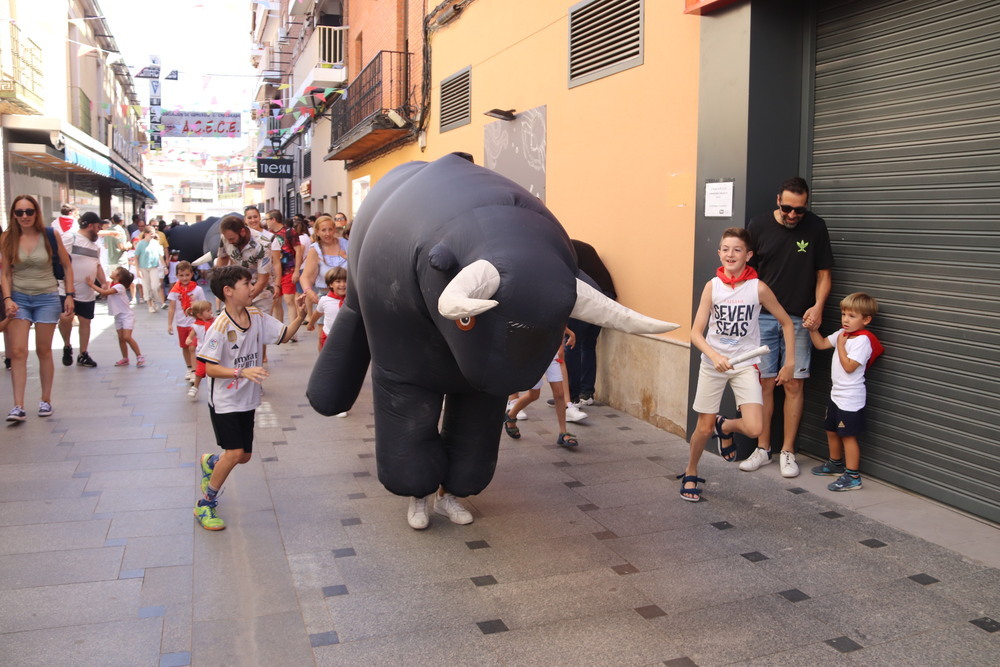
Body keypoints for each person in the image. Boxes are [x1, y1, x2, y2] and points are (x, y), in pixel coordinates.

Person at [679, 228, 796, 501]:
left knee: (755, 429)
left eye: (737, 250)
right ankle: (691, 471)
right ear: (719, 253)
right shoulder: (712, 286)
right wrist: (714, 355)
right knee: (703, 428)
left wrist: (790, 362)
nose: (730, 254)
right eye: (725, 249)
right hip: (713, 364)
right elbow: (695, 332)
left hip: (745, 364)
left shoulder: (758, 288)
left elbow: (788, 323)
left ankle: (727, 426)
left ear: (749, 255)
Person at [193, 265, 307, 530]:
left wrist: (300, 316)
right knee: (234, 453)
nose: (253, 288)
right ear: (229, 291)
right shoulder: (219, 326)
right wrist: (241, 371)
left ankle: (211, 462)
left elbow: (284, 335)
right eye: (247, 284)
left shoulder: (256, 315)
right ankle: (205, 504)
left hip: (248, 400)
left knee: (243, 456)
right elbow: (208, 368)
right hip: (225, 402)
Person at [744, 176, 834, 477]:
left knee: (795, 383)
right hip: (763, 317)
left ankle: (788, 452)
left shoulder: (816, 227)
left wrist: (818, 307)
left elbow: (823, 274)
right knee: (765, 383)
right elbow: (747, 275)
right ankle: (762, 449)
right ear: (777, 201)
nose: (793, 215)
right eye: (787, 208)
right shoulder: (757, 226)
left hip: (798, 318)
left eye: (800, 210)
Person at [1, 195, 75, 421]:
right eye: (20, 212)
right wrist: (7, 299)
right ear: (14, 214)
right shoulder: (7, 238)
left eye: (29, 211)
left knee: (44, 351)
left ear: (36, 213)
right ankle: (18, 405)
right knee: (17, 352)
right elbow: (4, 272)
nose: (25, 216)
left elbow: (66, 265)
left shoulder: (50, 235)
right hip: (19, 299)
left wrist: (70, 295)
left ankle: (45, 400)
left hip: (47, 298)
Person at [809, 292, 882, 492]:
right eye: (844, 314)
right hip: (836, 394)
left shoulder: (862, 341)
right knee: (831, 430)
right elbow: (821, 343)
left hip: (851, 398)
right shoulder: (843, 333)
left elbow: (849, 366)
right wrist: (811, 329)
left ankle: (853, 476)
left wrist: (841, 346)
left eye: (852, 316)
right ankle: (835, 463)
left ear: (866, 319)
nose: (845, 320)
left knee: (848, 436)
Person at [503, 327, 581, 449]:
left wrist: (570, 333)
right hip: (531, 354)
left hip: (551, 351)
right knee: (534, 395)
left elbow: (558, 317)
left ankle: (563, 433)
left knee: (559, 394)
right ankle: (511, 415)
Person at [566, 239, 616, 407]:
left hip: (589, 298)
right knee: (587, 345)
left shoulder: (564, 248)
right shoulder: (579, 246)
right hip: (606, 296)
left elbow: (566, 277)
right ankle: (586, 393)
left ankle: (570, 397)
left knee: (572, 344)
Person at [57, 211, 106, 368]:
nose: (99, 230)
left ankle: (83, 353)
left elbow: (97, 265)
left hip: (87, 292)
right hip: (67, 290)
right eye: (98, 226)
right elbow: (59, 260)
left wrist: (104, 283)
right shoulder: (70, 238)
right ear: (90, 225)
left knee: (86, 322)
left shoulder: (95, 246)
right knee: (66, 318)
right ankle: (67, 345)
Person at [88, 267, 144, 367]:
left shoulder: (119, 287)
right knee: (121, 338)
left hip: (126, 315)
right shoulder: (114, 285)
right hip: (118, 315)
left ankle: (139, 356)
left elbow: (104, 293)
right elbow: (107, 293)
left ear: (118, 276)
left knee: (127, 337)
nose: (112, 271)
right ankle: (125, 358)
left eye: (115, 271)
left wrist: (91, 285)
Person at [167, 261, 206, 383]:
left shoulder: (197, 289)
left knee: (192, 347)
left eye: (187, 275)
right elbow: (172, 307)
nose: (184, 278)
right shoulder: (174, 291)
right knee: (184, 347)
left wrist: (201, 313)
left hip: (194, 323)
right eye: (181, 275)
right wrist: (169, 324)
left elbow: (204, 305)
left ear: (192, 274)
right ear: (177, 276)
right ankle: (189, 367)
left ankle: (195, 371)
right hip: (181, 322)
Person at [265, 209, 302, 332]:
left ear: (273, 219)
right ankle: (280, 330)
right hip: (274, 273)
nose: (266, 222)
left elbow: (298, 250)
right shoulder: (268, 234)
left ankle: (292, 331)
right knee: (276, 301)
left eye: (267, 219)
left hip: (288, 270)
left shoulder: (289, 232)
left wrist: (297, 270)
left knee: (289, 300)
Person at [299, 215, 347, 306]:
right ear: (317, 232)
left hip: (348, 297)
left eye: (330, 229)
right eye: (323, 230)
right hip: (327, 297)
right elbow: (306, 276)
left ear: (334, 229)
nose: (327, 234)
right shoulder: (315, 250)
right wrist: (308, 291)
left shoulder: (346, 244)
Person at [306, 267, 346, 351]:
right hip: (329, 337)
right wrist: (311, 323)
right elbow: (317, 313)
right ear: (331, 284)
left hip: (347, 338)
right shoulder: (325, 300)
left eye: (345, 281)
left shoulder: (352, 300)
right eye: (338, 282)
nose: (342, 284)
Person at [183, 300, 216, 400]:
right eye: (208, 310)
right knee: (200, 371)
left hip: (214, 351)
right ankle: (195, 387)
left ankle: (214, 388)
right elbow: (191, 335)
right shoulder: (196, 325)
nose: (211, 312)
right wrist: (189, 339)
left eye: (210, 309)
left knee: (215, 371)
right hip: (202, 352)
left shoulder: (214, 322)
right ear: (200, 315)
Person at [134, 228, 166, 312]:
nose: (152, 235)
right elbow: (136, 257)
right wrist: (138, 270)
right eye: (151, 233)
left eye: (153, 233)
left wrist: (164, 267)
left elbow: (160, 256)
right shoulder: (140, 244)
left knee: (155, 286)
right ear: (146, 233)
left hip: (154, 267)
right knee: (146, 286)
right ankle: (150, 305)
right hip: (143, 268)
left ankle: (154, 300)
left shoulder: (155, 243)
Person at [103, 213, 130, 280]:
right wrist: (129, 245)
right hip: (120, 261)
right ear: (122, 221)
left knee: (114, 282)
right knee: (122, 282)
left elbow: (106, 246)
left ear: (112, 220)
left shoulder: (108, 230)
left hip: (111, 260)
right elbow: (121, 247)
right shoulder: (120, 230)